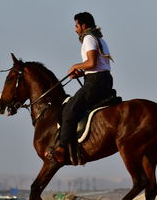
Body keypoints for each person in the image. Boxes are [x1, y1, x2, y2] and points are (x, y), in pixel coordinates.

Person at [49, 12, 114, 164]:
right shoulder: (99, 39)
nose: (75, 29)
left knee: (69, 110)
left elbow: (91, 63)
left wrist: (75, 66)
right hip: (104, 80)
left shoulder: (88, 38)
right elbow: (97, 65)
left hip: (95, 82)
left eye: (76, 26)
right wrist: (80, 73)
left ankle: (62, 149)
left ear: (83, 26)